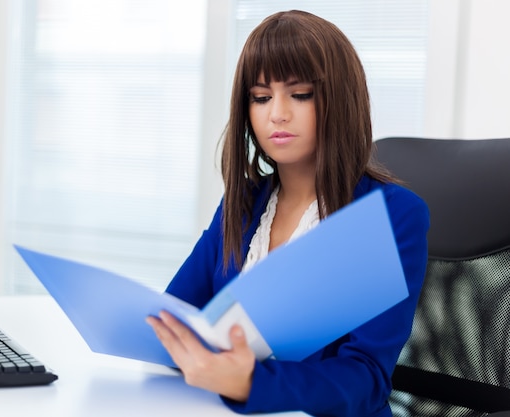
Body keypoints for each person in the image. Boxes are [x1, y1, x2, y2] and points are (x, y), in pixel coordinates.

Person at [145, 10, 429, 417]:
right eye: (260, 97)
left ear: (339, 99)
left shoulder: (393, 216)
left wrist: (250, 384)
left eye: (300, 94)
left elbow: (366, 377)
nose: (276, 113)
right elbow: (180, 316)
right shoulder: (242, 204)